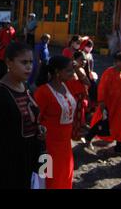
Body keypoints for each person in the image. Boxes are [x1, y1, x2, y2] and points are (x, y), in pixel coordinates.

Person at [0, 42, 44, 189]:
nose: (29, 67)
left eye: (31, 62)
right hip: (7, 167)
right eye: (24, 62)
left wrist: (38, 132)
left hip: (28, 164)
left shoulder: (25, 88)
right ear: (9, 62)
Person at [34, 56, 76, 189]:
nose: (72, 74)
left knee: (65, 178)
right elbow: (34, 120)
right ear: (58, 72)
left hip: (65, 146)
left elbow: (87, 83)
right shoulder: (43, 92)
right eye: (69, 71)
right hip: (48, 148)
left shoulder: (67, 86)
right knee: (48, 181)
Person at [86, 51, 121, 154]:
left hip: (119, 106)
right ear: (116, 62)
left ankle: (119, 147)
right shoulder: (109, 72)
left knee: (119, 126)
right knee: (102, 124)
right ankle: (88, 138)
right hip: (109, 105)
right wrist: (102, 104)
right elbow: (102, 88)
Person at [67, 51, 91, 141]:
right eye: (81, 60)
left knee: (77, 120)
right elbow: (87, 82)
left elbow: (87, 85)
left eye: (85, 60)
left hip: (80, 99)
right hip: (73, 99)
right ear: (74, 60)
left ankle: (75, 136)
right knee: (72, 121)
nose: (84, 62)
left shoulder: (81, 69)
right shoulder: (70, 70)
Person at [0, 20, 16, 86]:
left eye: (8, 23)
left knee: (5, 69)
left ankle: (2, 82)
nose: (7, 25)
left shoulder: (12, 30)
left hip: (7, 52)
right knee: (0, 68)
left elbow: (13, 40)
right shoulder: (3, 30)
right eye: (6, 24)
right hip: (2, 52)